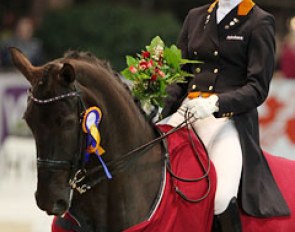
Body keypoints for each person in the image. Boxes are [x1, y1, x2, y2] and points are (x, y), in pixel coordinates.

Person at [161, 0, 290, 231]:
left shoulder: (258, 21)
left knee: (221, 198)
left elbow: (257, 88)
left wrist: (216, 103)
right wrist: (159, 109)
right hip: (187, 112)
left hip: (227, 119)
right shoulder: (196, 16)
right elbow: (180, 76)